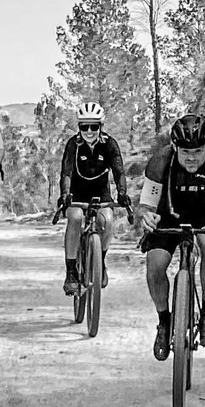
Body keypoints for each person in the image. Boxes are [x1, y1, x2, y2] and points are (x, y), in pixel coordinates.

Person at [138, 112, 205, 358]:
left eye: (197, 152)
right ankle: (164, 322)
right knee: (155, 264)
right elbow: (146, 206)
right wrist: (147, 216)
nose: (191, 158)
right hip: (168, 216)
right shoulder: (160, 162)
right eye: (185, 153)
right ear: (175, 147)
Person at [54, 101, 132, 296]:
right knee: (76, 218)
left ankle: (100, 261)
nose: (89, 131)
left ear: (101, 126)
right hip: (76, 193)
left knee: (107, 221)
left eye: (94, 126)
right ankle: (71, 272)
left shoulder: (109, 144)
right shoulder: (73, 144)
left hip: (101, 194)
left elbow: (119, 171)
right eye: (84, 127)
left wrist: (122, 192)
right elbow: (66, 172)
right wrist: (65, 195)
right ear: (79, 127)